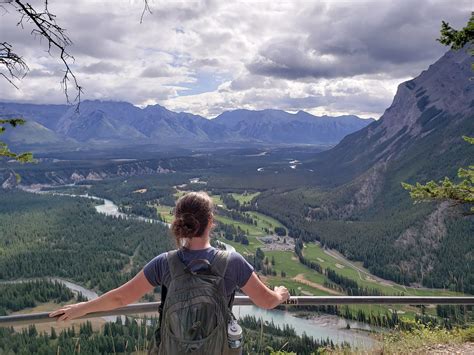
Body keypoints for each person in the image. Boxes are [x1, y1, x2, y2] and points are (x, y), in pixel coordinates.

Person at [49, 191, 290, 348]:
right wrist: (281, 293)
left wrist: (83, 308)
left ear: (179, 224)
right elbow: (267, 302)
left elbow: (121, 297)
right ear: (211, 223)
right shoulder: (232, 262)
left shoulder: (164, 263)